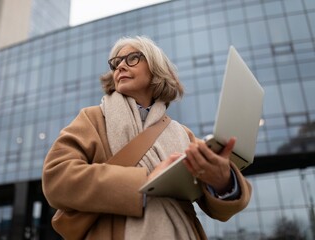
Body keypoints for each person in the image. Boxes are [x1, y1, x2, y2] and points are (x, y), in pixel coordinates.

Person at [42, 36, 252, 240]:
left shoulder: (182, 133)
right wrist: (142, 183)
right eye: (115, 63)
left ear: (155, 68)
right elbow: (56, 178)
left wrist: (222, 181)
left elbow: (221, 211)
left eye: (132, 58)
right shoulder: (92, 118)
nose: (121, 66)